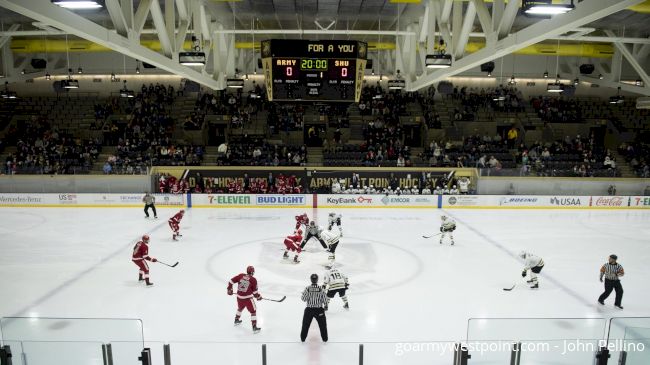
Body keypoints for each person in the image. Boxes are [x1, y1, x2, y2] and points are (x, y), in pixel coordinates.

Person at [227, 266, 263, 333]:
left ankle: (236, 319)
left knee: (240, 308)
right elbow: (255, 293)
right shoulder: (253, 279)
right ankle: (254, 327)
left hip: (239, 297)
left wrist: (229, 289)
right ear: (252, 272)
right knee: (253, 311)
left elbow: (230, 281)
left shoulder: (241, 275)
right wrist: (258, 297)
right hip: (248, 299)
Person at [300, 273, 328, 342]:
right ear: (317, 280)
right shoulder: (321, 288)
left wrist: (304, 294)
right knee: (323, 326)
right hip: (319, 310)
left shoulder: (307, 288)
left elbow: (303, 299)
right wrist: (326, 306)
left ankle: (303, 339)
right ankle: (325, 339)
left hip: (309, 310)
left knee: (305, 325)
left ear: (311, 280)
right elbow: (325, 299)